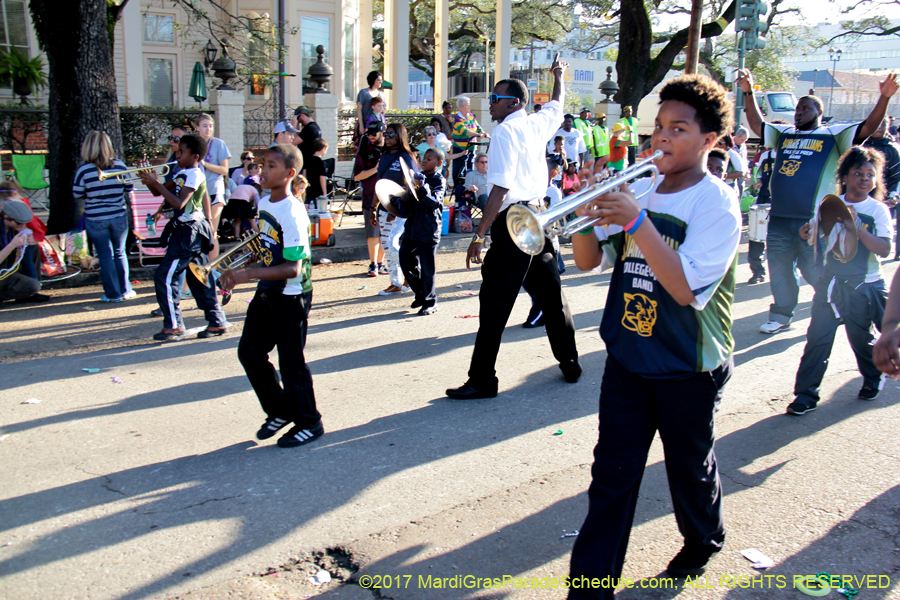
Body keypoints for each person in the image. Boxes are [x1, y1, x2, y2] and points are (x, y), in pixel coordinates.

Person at [567, 73, 740, 595]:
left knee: (689, 468)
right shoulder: (638, 187)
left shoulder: (717, 204)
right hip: (628, 357)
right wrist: (581, 217)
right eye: (658, 127)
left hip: (689, 365)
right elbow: (588, 262)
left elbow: (686, 288)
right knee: (611, 481)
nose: (661, 138)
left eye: (678, 129)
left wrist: (638, 219)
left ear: (709, 140)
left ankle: (704, 539)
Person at [446, 54, 580, 400]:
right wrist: (558, 75)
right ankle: (569, 361)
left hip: (516, 218)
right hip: (538, 216)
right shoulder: (537, 122)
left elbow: (501, 189)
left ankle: (482, 380)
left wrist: (478, 235)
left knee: (494, 301)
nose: (489, 105)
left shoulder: (505, 131)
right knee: (552, 295)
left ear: (514, 103)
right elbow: (557, 102)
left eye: (495, 99)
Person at [736, 68, 900, 334]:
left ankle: (835, 304)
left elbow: (867, 128)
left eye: (805, 108)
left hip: (815, 219)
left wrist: (884, 98)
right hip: (779, 218)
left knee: (816, 271)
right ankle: (781, 315)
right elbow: (757, 125)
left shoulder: (833, 135)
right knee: (779, 269)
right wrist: (747, 91)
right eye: (797, 109)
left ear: (819, 113)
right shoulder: (784, 134)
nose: (798, 112)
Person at [221, 143, 323, 449]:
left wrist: (245, 274)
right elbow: (268, 247)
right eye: (262, 164)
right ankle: (280, 410)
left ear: (290, 174)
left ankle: (309, 421)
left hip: (291, 297)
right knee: (250, 353)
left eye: (271, 166)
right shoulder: (265, 202)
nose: (263, 170)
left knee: (291, 363)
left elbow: (292, 268)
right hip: (268, 292)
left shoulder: (293, 212)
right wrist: (249, 259)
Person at [789, 146, 893, 415]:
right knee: (817, 339)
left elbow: (884, 249)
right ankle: (805, 395)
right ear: (845, 176)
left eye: (870, 175)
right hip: (831, 284)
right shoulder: (831, 204)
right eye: (858, 173)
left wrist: (857, 228)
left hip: (864, 286)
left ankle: (873, 376)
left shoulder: (877, 210)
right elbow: (817, 237)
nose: (864, 179)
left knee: (860, 339)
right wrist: (806, 233)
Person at [140, 133, 228, 341]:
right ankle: (216, 321)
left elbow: (179, 203)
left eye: (181, 152)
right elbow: (157, 192)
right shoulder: (183, 173)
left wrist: (158, 184)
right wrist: (149, 180)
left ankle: (174, 325)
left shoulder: (194, 174)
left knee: (165, 276)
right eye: (177, 151)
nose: (177, 155)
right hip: (188, 231)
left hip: (189, 232)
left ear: (195, 156)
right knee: (198, 277)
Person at [72, 131, 135, 303]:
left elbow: (77, 193)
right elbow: (129, 188)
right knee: (120, 253)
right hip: (118, 216)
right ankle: (125, 289)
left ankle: (112, 294)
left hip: (96, 218)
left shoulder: (84, 169)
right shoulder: (120, 166)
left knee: (105, 255)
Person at [399, 147, 446, 315]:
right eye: (424, 158)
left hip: (428, 229)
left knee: (427, 268)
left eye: (429, 158)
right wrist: (396, 203)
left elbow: (433, 203)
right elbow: (409, 203)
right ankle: (420, 293)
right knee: (405, 261)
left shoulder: (438, 180)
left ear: (439, 163)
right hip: (412, 228)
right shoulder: (417, 178)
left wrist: (423, 188)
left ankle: (430, 301)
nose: (424, 161)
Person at [374, 122, 418, 291]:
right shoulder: (384, 156)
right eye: (386, 134)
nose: (387, 137)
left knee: (391, 242)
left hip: (399, 209)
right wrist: (373, 208)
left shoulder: (406, 157)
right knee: (385, 244)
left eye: (391, 134)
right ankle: (396, 282)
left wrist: (397, 210)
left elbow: (411, 186)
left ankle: (410, 274)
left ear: (400, 135)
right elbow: (378, 184)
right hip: (383, 207)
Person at [862, 117, 900, 258]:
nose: (879, 127)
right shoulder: (861, 146)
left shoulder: (892, 149)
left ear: (888, 126)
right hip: (861, 198)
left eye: (883, 124)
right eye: (876, 123)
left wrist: (892, 196)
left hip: (882, 200)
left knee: (877, 235)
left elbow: (897, 177)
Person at [354, 121, 387, 277]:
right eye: (368, 134)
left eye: (374, 134)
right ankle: (373, 264)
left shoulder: (389, 150)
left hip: (388, 197)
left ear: (382, 133)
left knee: (385, 233)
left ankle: (381, 263)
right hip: (370, 197)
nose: (370, 137)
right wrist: (375, 169)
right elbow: (357, 175)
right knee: (373, 233)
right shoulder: (364, 151)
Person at [0, 200, 48, 305]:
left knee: (33, 247)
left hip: (6, 270)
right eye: (19, 222)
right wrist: (12, 245)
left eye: (24, 222)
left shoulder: (13, 227)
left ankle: (28, 295)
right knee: (31, 286)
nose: (22, 225)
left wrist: (32, 240)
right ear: (5, 217)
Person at [197, 113, 231, 242]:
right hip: (199, 192)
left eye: (210, 126)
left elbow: (224, 170)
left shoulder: (218, 143)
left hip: (215, 190)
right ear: (197, 128)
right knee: (200, 230)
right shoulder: (195, 144)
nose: (208, 129)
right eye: (205, 126)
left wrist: (206, 164)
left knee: (211, 230)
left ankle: (213, 262)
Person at [748, 144, 776, 284]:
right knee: (756, 238)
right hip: (764, 198)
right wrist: (758, 182)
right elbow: (760, 175)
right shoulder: (766, 155)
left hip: (782, 200)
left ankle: (779, 275)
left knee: (778, 239)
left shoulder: (791, 155)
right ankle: (757, 272)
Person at [451, 95, 488, 183]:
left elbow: (477, 126)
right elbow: (464, 131)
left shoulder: (470, 115)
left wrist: (483, 132)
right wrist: (478, 135)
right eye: (467, 105)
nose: (469, 107)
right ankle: (458, 190)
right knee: (459, 172)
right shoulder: (457, 118)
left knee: (470, 170)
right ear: (461, 107)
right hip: (460, 149)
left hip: (471, 148)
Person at [356, 70, 384, 138]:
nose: (381, 82)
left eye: (381, 80)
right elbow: (359, 109)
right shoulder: (363, 92)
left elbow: (384, 109)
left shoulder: (381, 94)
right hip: (366, 123)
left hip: (377, 123)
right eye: (378, 80)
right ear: (372, 80)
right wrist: (361, 126)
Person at [302, 138, 328, 205]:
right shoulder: (321, 163)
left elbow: (304, 175)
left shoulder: (307, 160)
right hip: (318, 191)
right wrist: (325, 193)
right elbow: (322, 178)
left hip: (308, 189)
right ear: (323, 149)